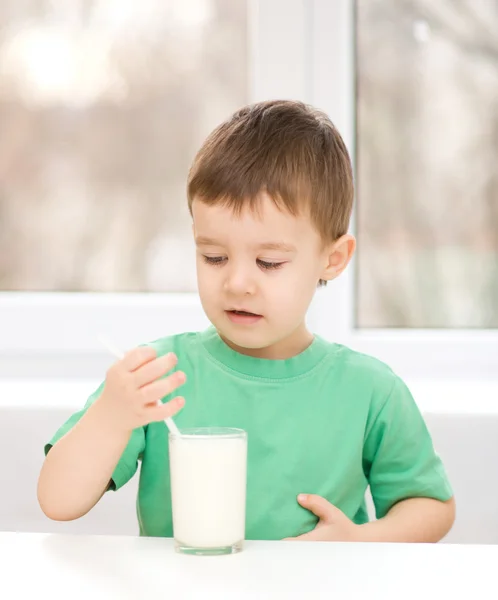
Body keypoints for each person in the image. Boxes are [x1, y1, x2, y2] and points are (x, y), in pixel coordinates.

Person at [38, 100, 455, 542]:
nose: (237, 282)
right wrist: (111, 416)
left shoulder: (370, 391)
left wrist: (358, 541)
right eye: (213, 256)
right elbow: (57, 501)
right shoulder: (158, 375)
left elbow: (431, 507)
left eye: (269, 262)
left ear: (332, 260)